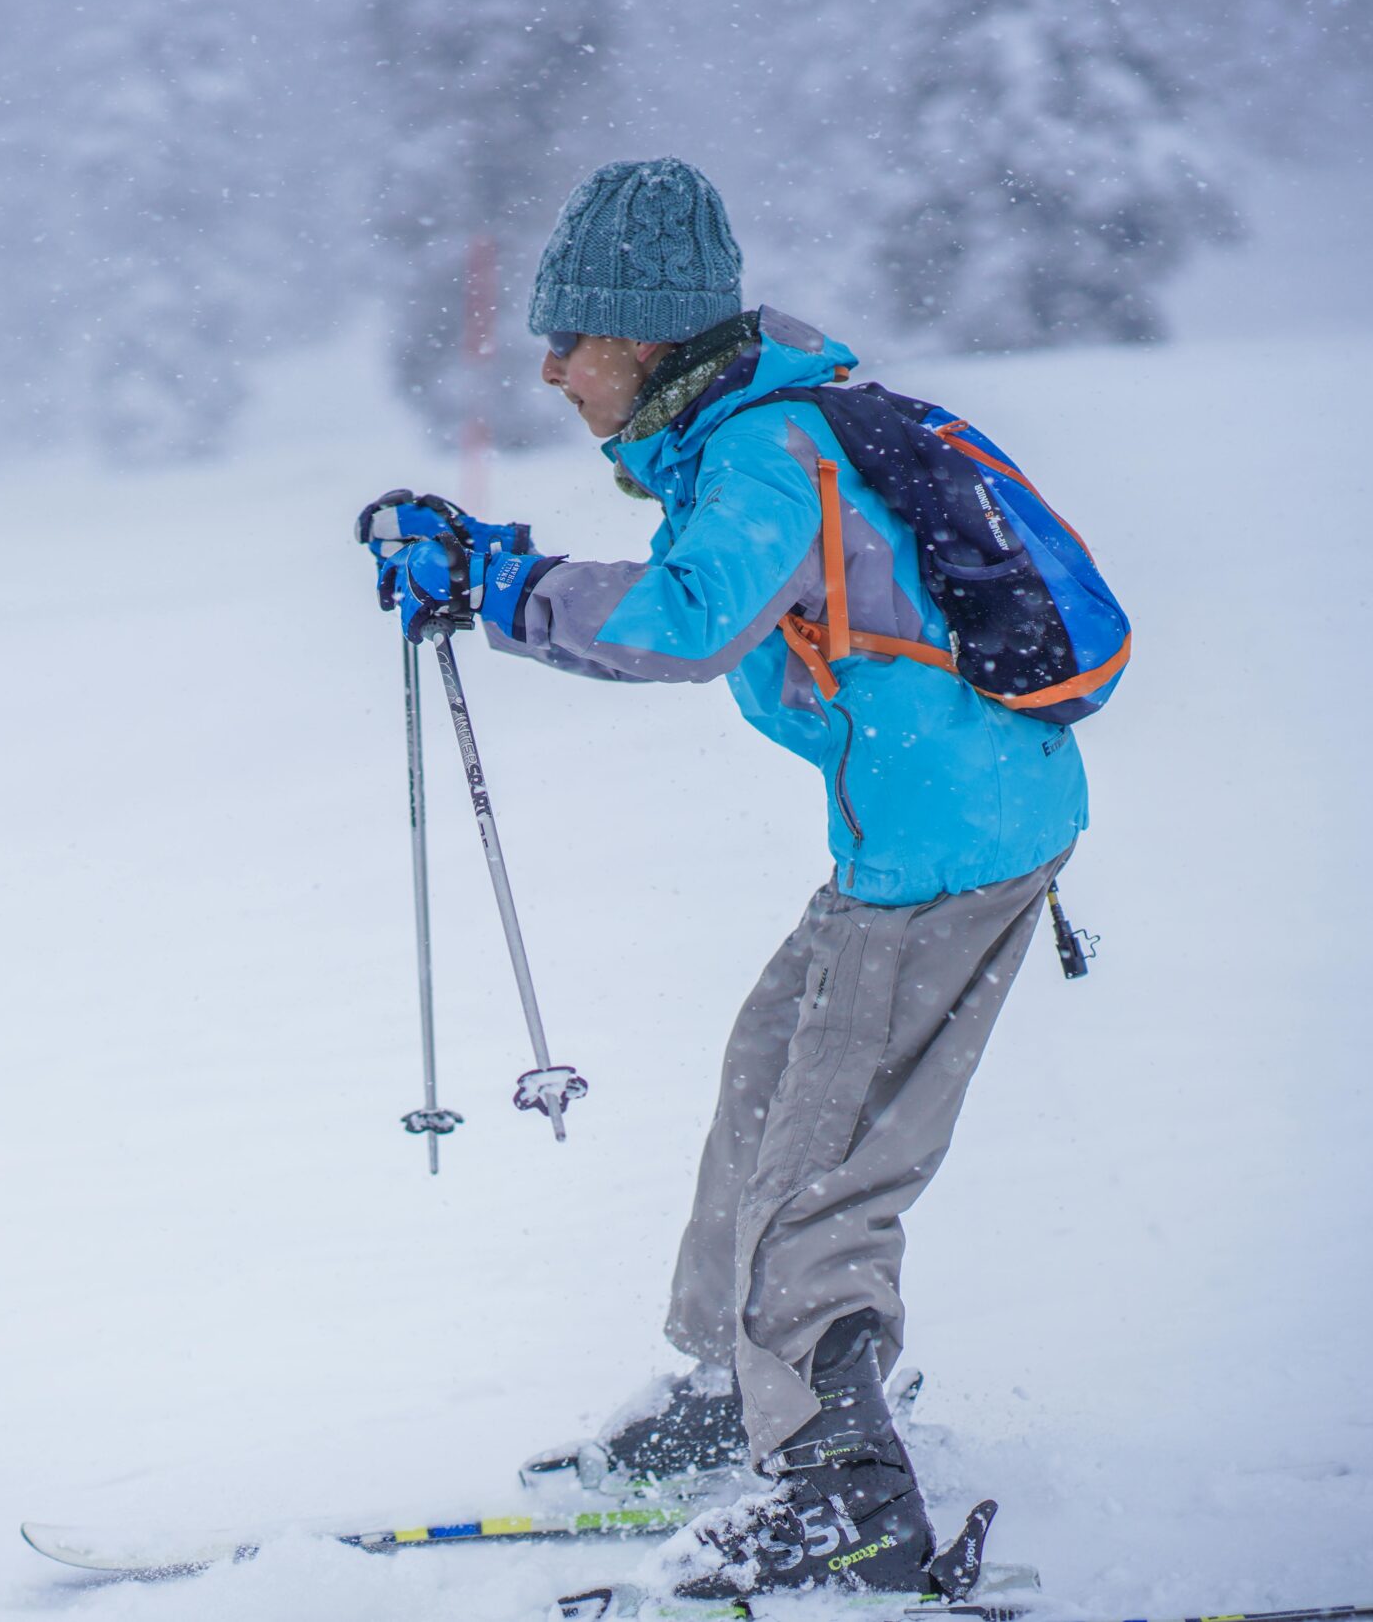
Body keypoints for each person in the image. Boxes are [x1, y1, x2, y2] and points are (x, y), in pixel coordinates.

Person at [362, 158, 1090, 1599]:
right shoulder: (756, 431)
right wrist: (502, 570)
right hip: (931, 834)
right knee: (770, 1082)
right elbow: (709, 597)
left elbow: (688, 623)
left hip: (940, 853)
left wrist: (498, 585)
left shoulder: (766, 447)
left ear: (641, 339)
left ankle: (839, 1489)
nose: (550, 370)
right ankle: (728, 1397)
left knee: (820, 1167)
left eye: (569, 340)